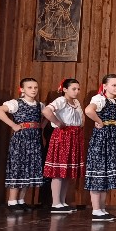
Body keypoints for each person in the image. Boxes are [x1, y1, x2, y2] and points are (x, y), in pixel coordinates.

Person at [0, 78, 45, 211]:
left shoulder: (40, 105)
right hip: (21, 138)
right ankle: (12, 201)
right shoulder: (16, 103)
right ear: (22, 89)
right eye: (29, 87)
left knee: (29, 168)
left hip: (34, 139)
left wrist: (41, 126)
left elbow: (47, 116)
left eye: (35, 87)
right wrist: (13, 125)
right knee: (18, 167)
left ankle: (21, 200)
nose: (33, 90)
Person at [84, 74, 116, 222]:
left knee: (107, 173)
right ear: (105, 86)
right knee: (99, 170)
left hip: (113, 138)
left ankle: (102, 209)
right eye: (114, 85)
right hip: (102, 138)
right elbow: (89, 110)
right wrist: (99, 121)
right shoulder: (99, 99)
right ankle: (96, 210)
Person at [42, 78, 85, 213]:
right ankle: (56, 203)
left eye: (78, 89)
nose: (77, 91)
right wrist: (58, 122)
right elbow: (46, 111)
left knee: (66, 172)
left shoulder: (76, 102)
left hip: (74, 136)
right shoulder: (61, 100)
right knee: (59, 170)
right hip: (63, 136)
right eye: (74, 89)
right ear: (65, 89)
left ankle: (62, 201)